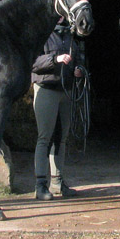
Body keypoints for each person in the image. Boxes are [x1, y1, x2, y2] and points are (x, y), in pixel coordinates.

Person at [31, 19, 85, 200]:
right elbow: (33, 62)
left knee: (61, 138)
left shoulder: (70, 37)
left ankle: (57, 182)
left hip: (66, 90)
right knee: (44, 137)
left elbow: (78, 58)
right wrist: (55, 59)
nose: (61, 18)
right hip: (47, 89)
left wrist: (78, 69)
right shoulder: (41, 35)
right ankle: (40, 185)